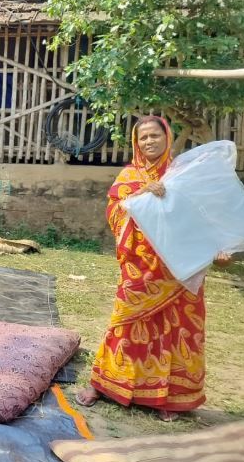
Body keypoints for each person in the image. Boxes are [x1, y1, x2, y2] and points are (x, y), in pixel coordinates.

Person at [75, 116, 231, 422]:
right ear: (136, 142)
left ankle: (170, 397)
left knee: (178, 331)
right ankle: (104, 384)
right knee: (124, 324)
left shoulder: (182, 174)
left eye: (154, 136)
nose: (148, 142)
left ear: (167, 137)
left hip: (179, 269)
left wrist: (217, 244)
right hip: (140, 269)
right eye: (143, 137)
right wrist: (144, 193)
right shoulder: (128, 176)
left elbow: (202, 213)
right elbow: (115, 214)